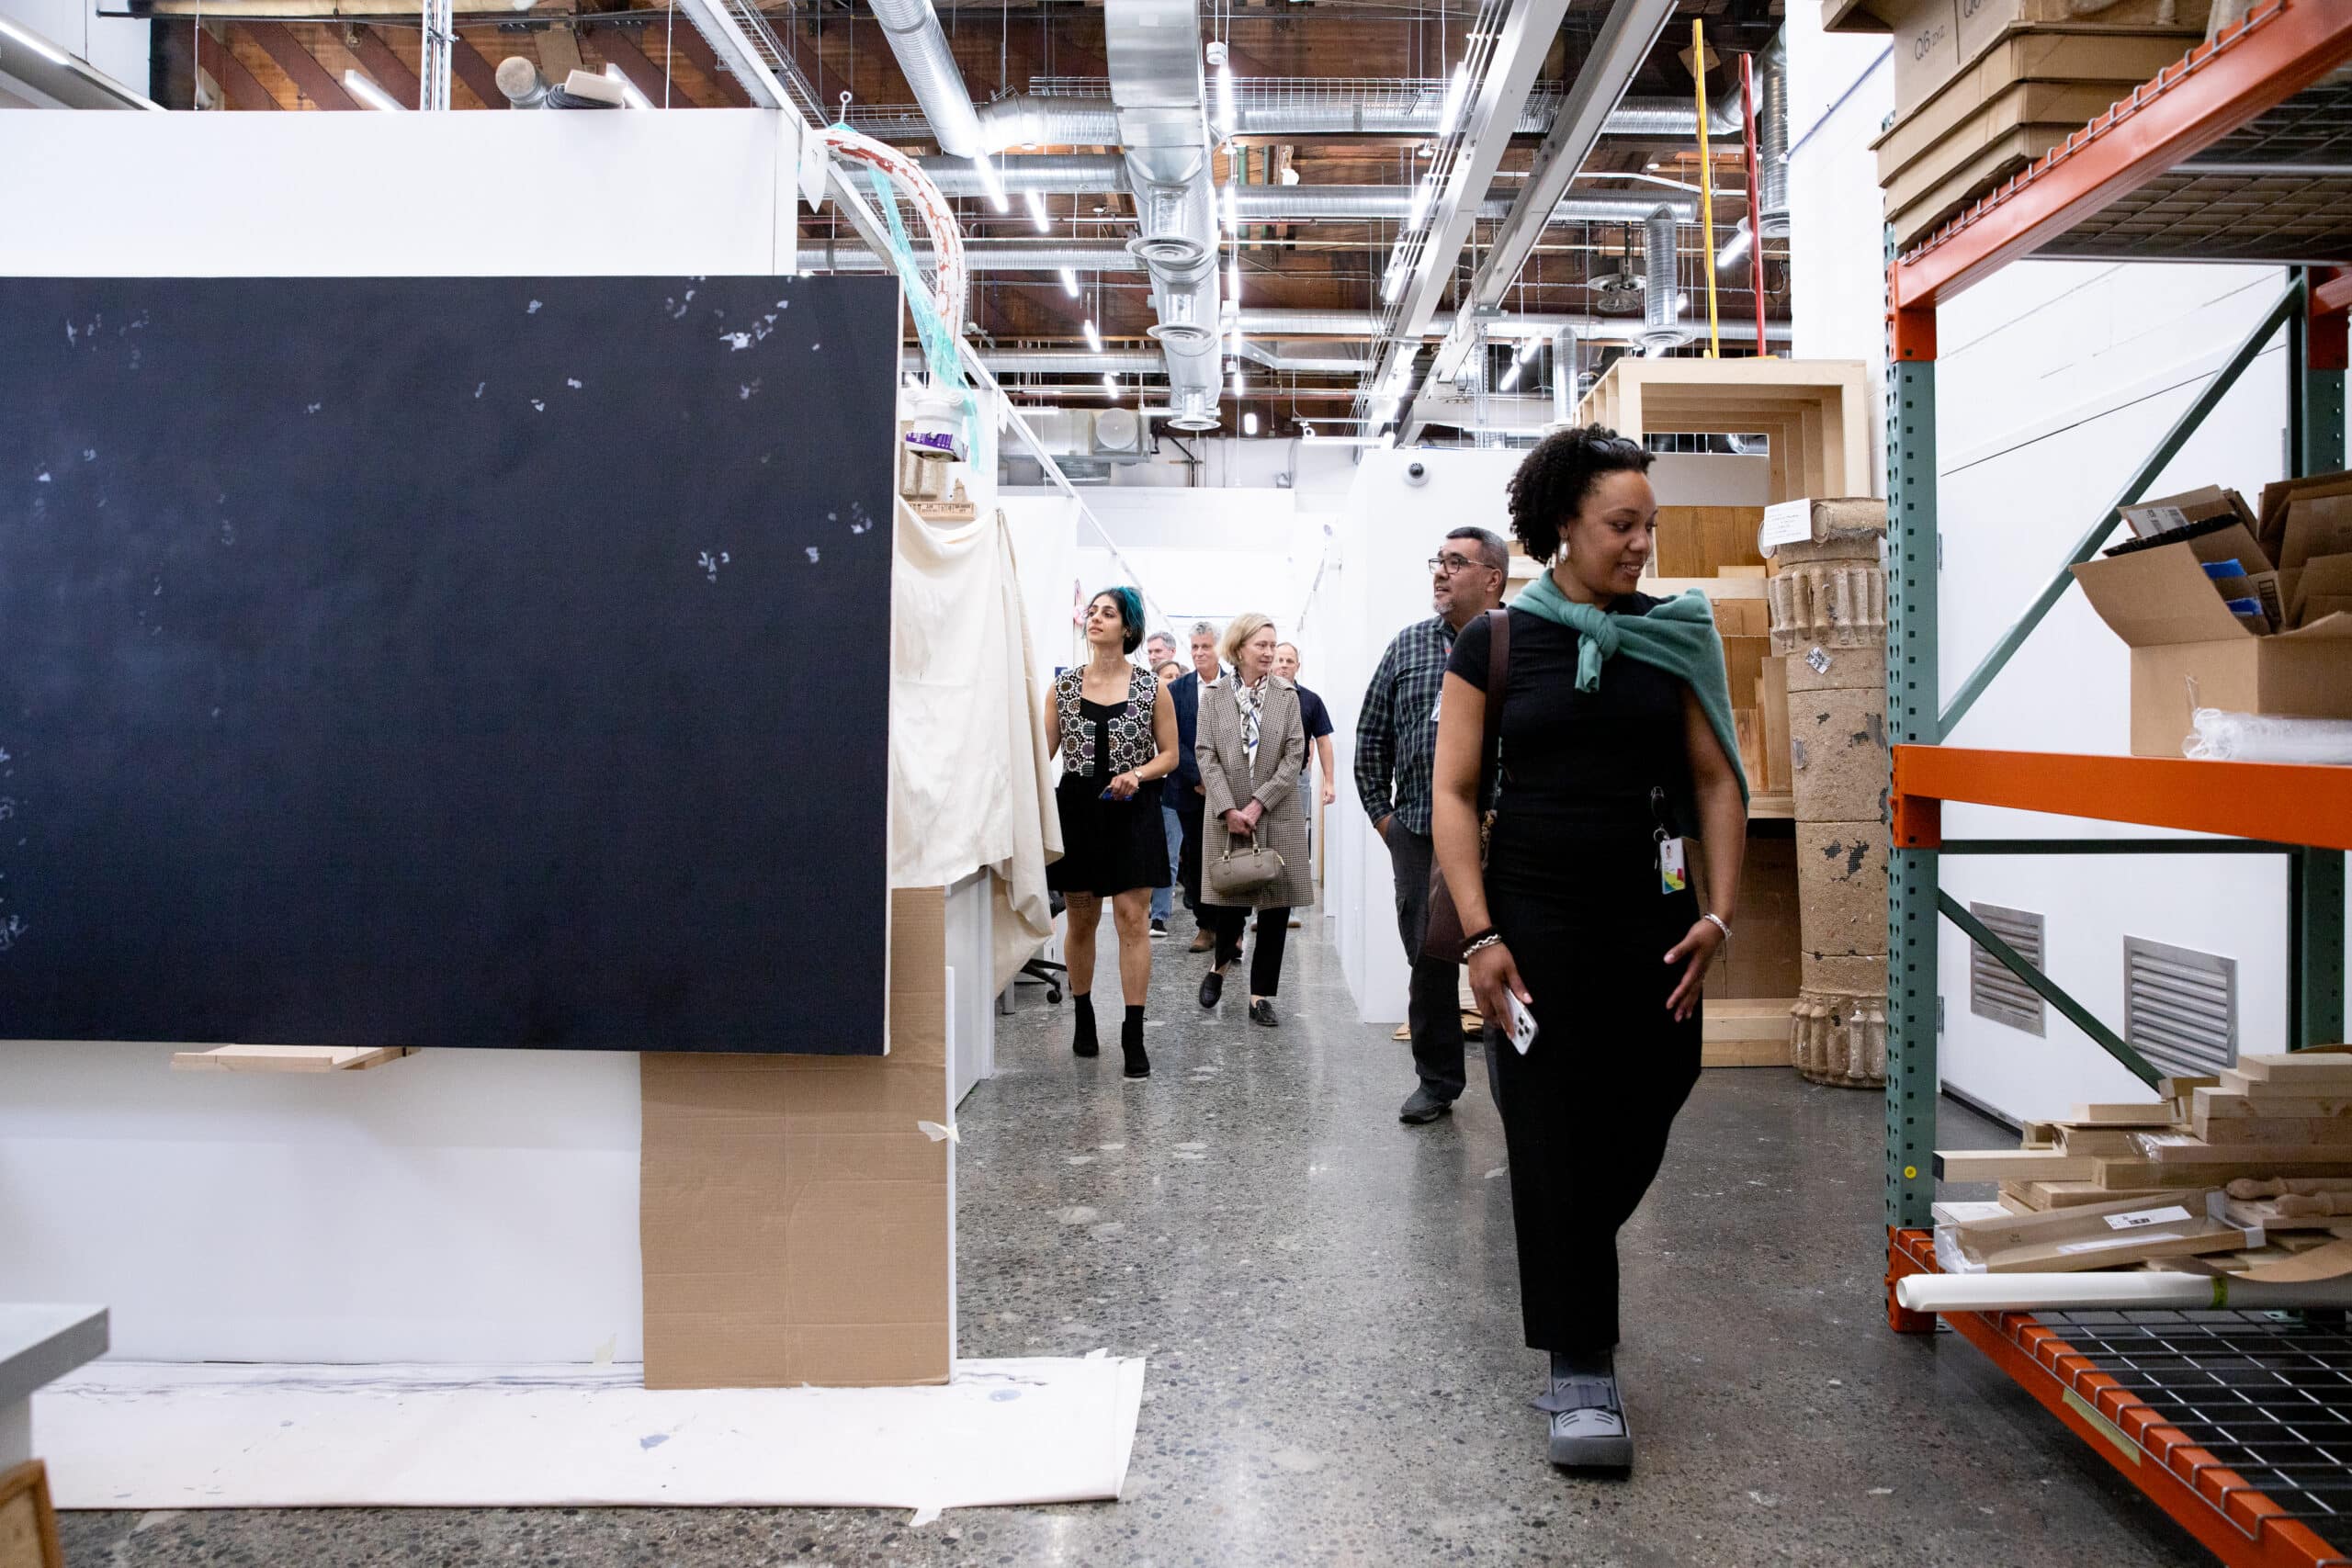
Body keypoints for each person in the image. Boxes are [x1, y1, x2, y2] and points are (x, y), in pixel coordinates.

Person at [1430, 425, 1747, 1472]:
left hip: (1653, 920)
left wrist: (1720, 914)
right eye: (1622, 524)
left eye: (1649, 525)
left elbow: (1715, 779)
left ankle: (1565, 1242)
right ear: (1564, 523)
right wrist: (1479, 934)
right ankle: (1580, 1365)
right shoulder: (1495, 643)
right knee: (1551, 1133)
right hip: (1532, 923)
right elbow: (1453, 792)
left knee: (1656, 1089)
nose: (1640, 544)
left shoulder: (1675, 634)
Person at [1354, 525, 1509, 1125]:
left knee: (1509, 954)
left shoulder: (1517, 643)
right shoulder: (1408, 646)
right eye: (1437, 561)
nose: (1440, 572)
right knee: (1429, 960)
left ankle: (1517, 1087)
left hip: (1506, 832)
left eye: (1456, 562)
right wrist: (1386, 822)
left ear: (1492, 578)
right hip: (1419, 832)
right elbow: (1371, 737)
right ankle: (1437, 1080)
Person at [1042, 587, 1182, 1079]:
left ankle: (1133, 1033)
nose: (1096, 619)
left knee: (1132, 919)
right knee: (1081, 921)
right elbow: (1042, 755)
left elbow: (1171, 755)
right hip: (1079, 810)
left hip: (1133, 811)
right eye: (1093, 612)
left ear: (1129, 628)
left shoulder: (1151, 688)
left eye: (1108, 613)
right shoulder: (1062, 689)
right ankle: (1083, 1015)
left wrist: (1138, 774)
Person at [1193, 612, 1311, 1028]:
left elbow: (1295, 755)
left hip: (1277, 814)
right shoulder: (1214, 696)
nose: (1269, 652)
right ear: (1239, 648)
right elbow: (1205, 753)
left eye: (1273, 645)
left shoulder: (1287, 695)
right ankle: (1220, 966)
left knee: (1276, 909)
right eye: (1261, 645)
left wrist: (1259, 803)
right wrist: (1228, 808)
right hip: (1226, 815)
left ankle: (1260, 996)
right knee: (1231, 902)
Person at [1165, 622, 1223, 953]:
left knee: (1231, 858)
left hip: (1228, 790)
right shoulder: (1177, 690)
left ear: (1219, 648)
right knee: (1197, 859)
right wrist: (1199, 777)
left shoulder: (1235, 685)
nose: (1199, 653)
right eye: (1195, 647)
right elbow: (1171, 738)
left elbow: (1243, 737)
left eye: (1206, 646)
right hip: (1190, 789)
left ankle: (1231, 928)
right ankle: (1205, 925)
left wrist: (1217, 781)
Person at [1272, 642, 1334, 931]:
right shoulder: (1258, 697)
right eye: (1279, 660)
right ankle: (1261, 908)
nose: (1284, 665)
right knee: (1262, 843)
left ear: (1297, 666)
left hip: (1296, 781)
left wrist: (1329, 781)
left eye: (1289, 660)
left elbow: (1323, 741)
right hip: (1261, 780)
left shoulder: (1310, 700)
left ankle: (1290, 909)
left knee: (1293, 843)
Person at [1148, 658, 1189, 938]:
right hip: (1145, 788)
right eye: (1167, 675)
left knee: (1169, 853)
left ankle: (1159, 915)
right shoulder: (1142, 708)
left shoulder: (1184, 712)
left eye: (1177, 675)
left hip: (1173, 789)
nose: (1173, 680)